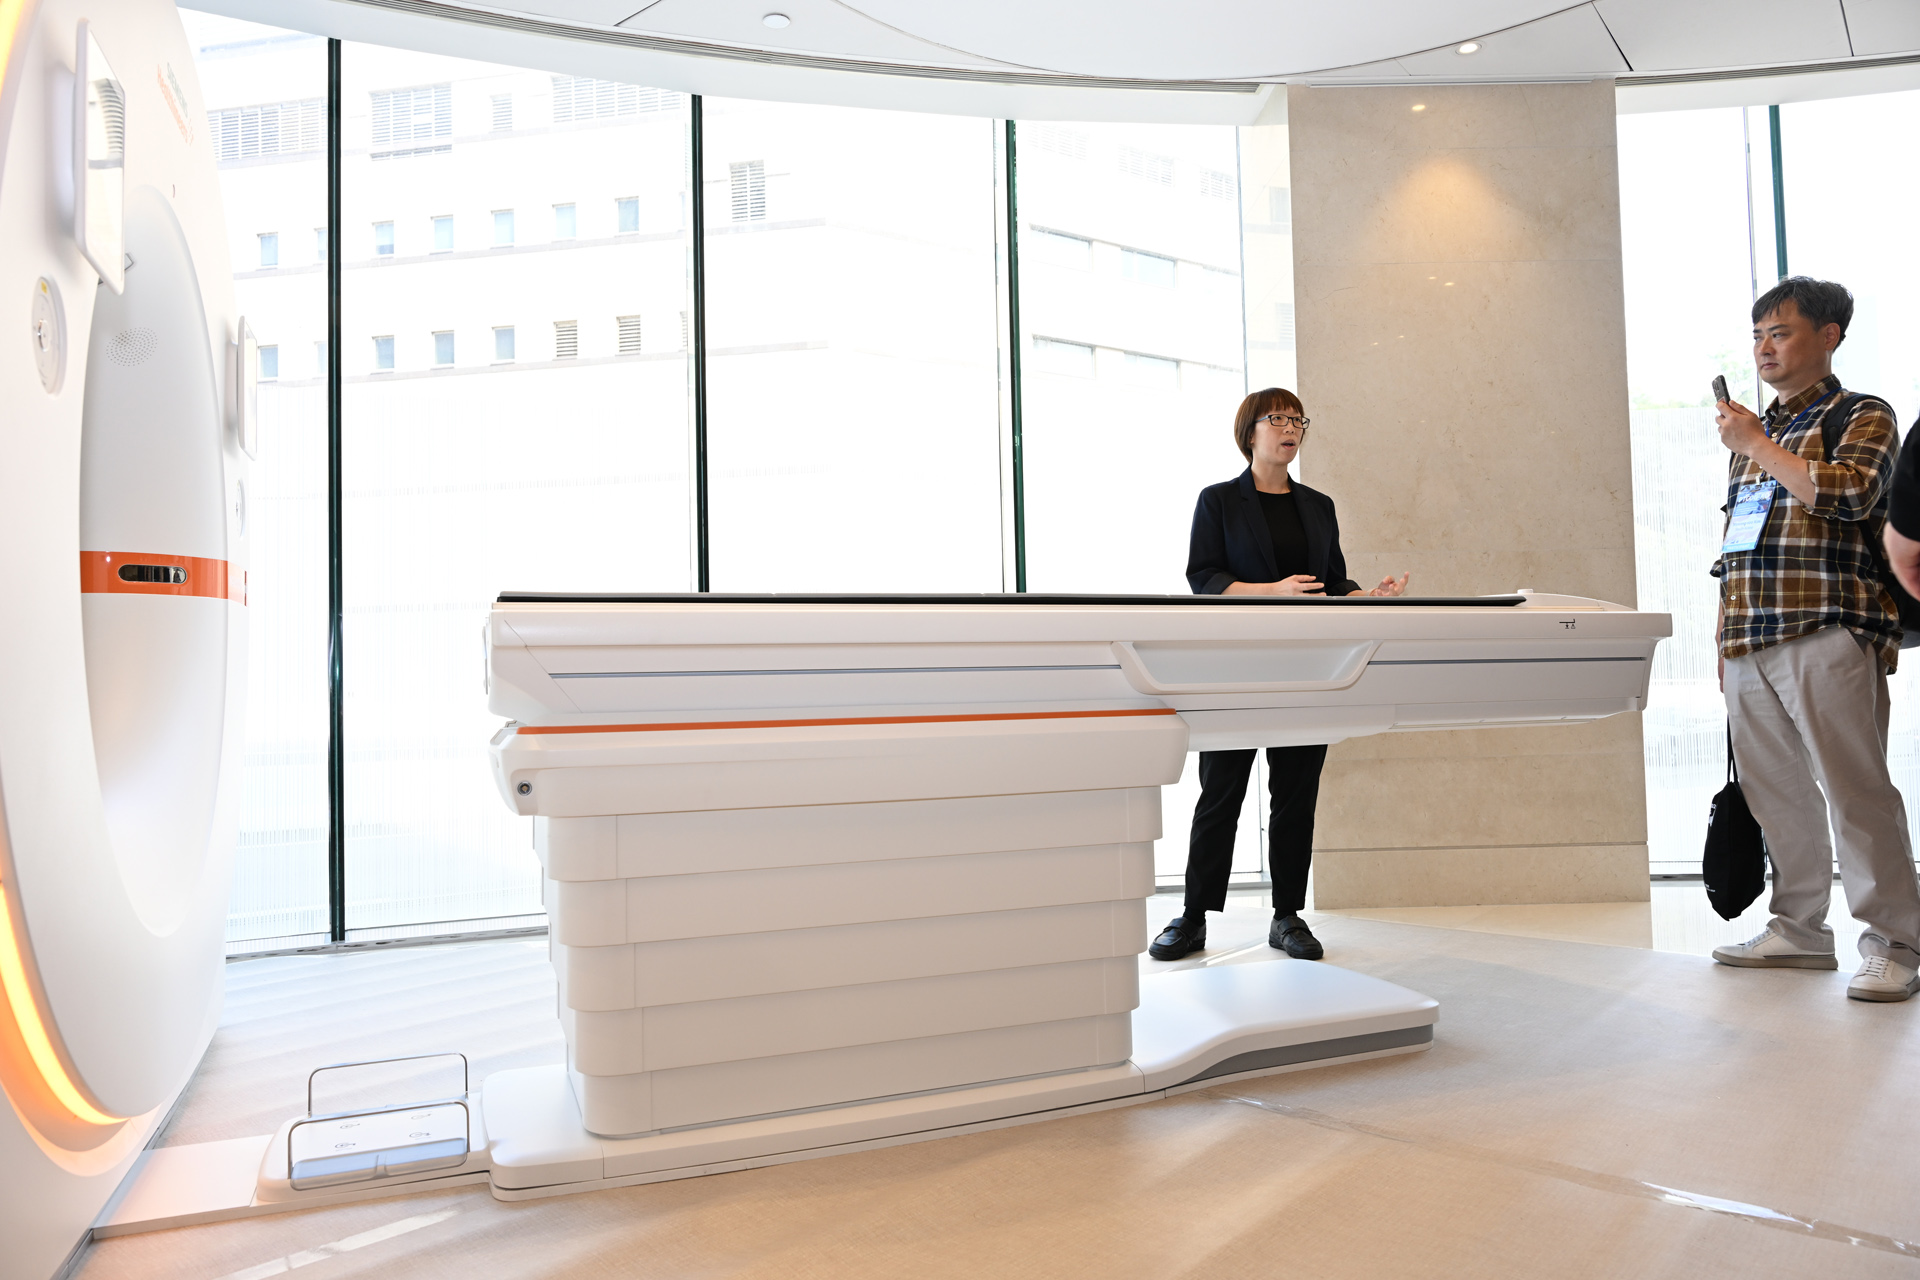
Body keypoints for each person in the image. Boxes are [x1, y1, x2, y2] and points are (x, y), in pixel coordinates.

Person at [1708, 276, 1920, 1001]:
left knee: (1856, 792)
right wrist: (1723, 634)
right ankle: (1798, 929)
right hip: (1750, 634)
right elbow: (1738, 538)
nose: (1764, 348)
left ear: (1828, 337)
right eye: (1758, 335)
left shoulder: (1861, 413)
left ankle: (1896, 941)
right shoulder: (1753, 435)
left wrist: (1757, 443)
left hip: (1828, 626)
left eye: (1781, 332)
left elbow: (1852, 493)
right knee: (1777, 794)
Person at [1149, 388, 1408, 963]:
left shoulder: (1319, 505)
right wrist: (1273, 591)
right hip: (1234, 668)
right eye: (1278, 419)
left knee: (1296, 794)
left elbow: (1332, 581)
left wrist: (1366, 596)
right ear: (1250, 431)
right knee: (1220, 792)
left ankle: (1288, 916)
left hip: (1308, 667)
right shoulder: (1218, 500)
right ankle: (1193, 916)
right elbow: (1204, 578)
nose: (1291, 429)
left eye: (1298, 420)